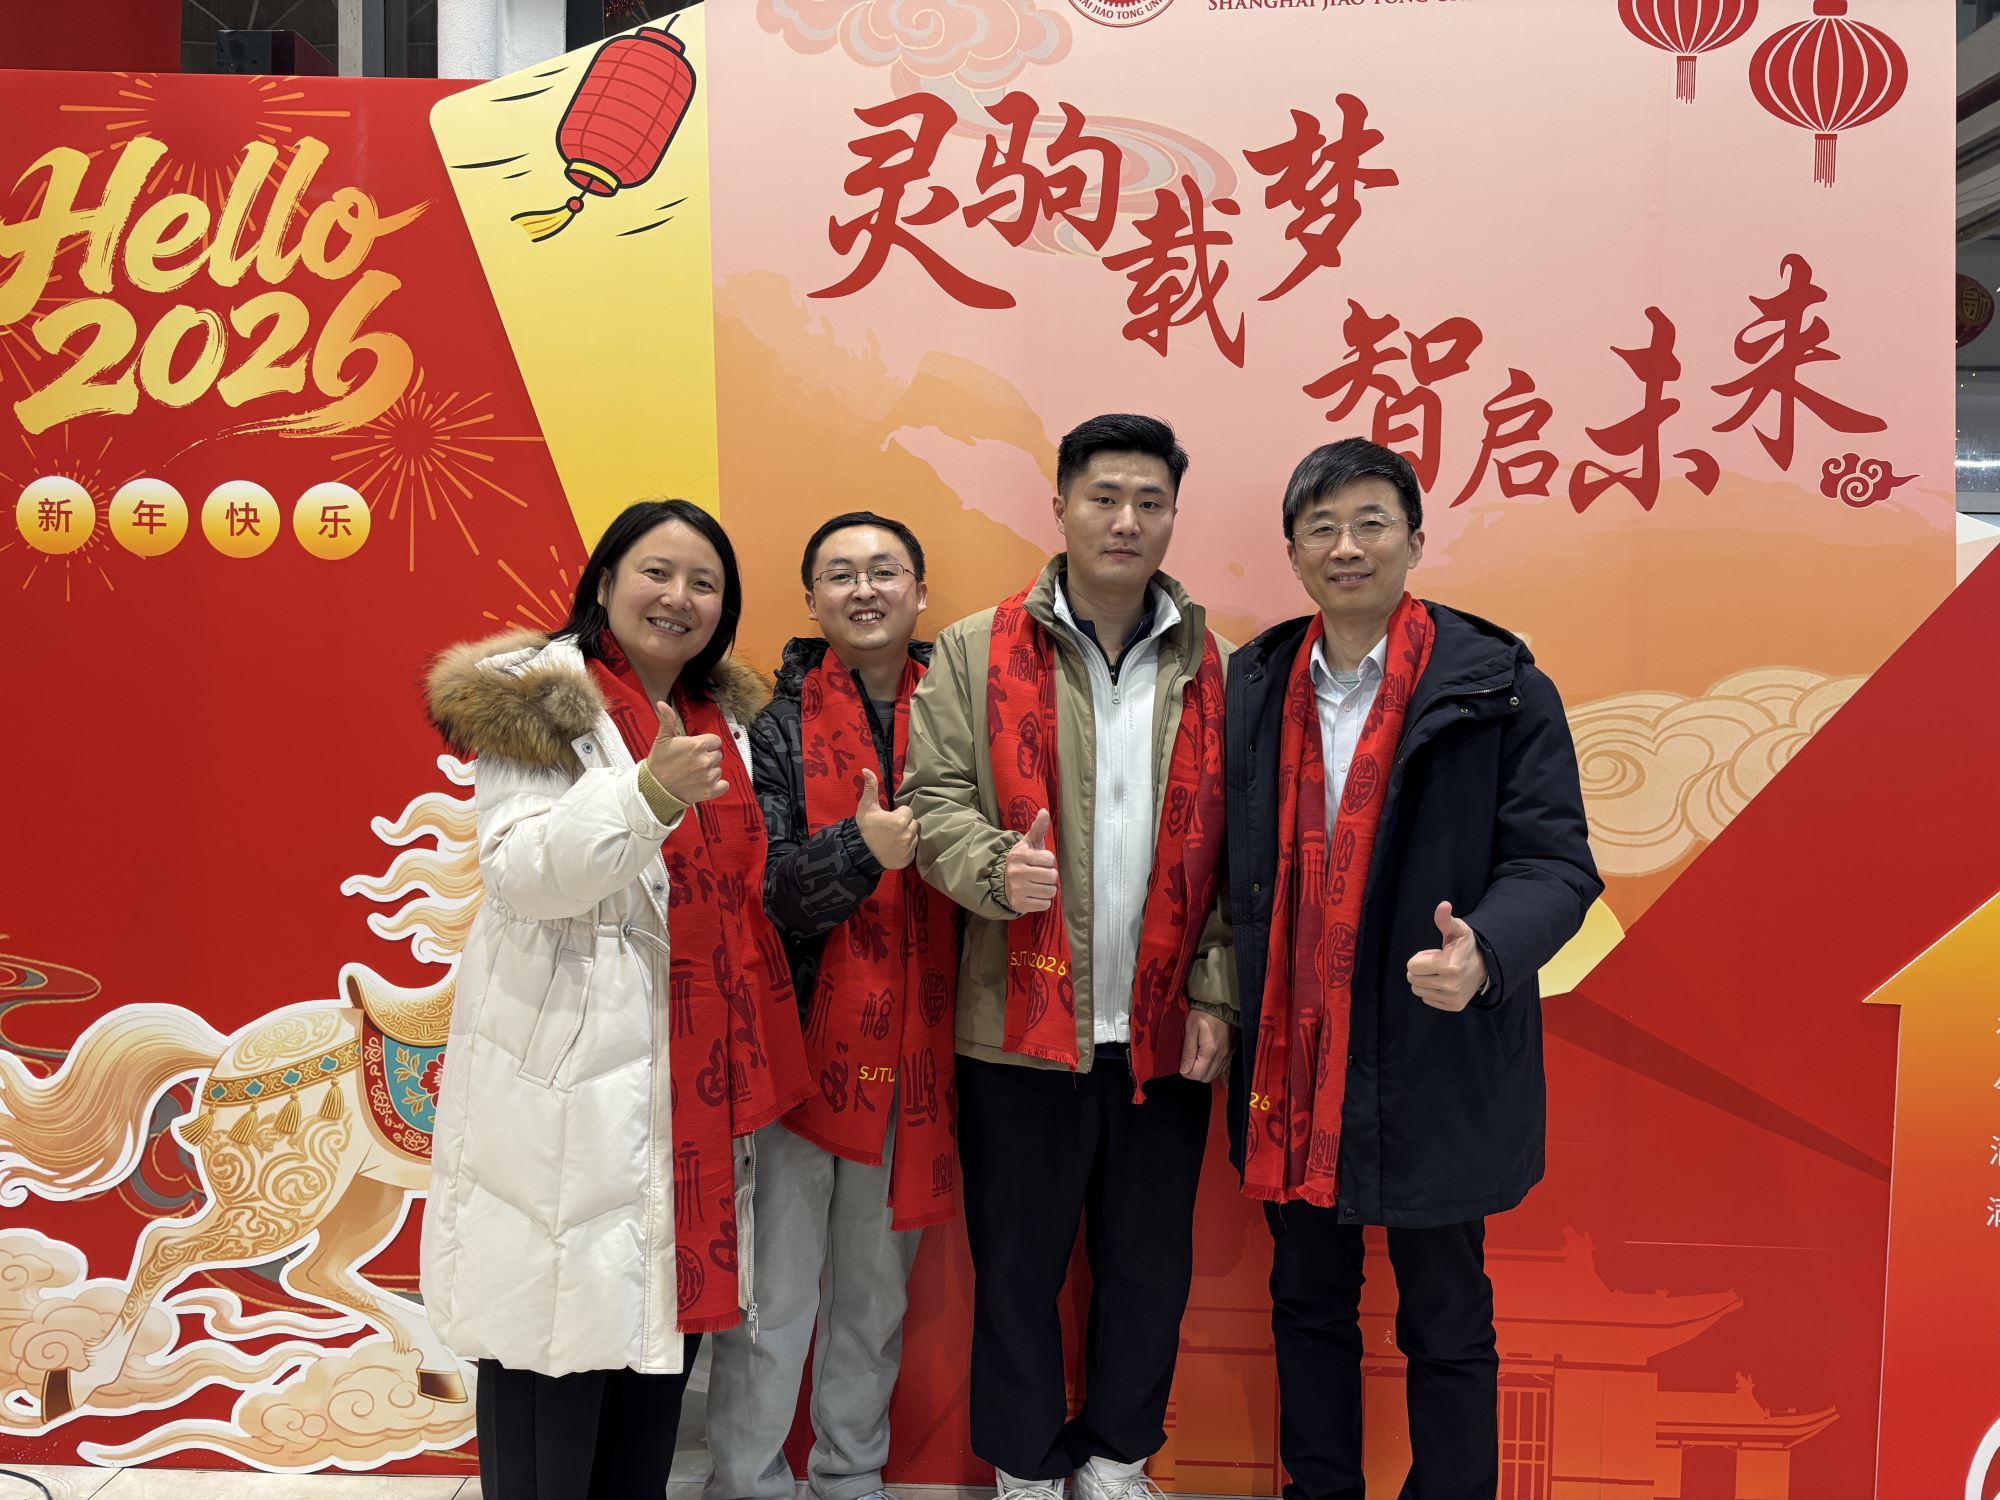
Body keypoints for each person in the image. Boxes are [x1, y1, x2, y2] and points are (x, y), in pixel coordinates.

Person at [1223, 439, 1601, 1500]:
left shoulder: (1498, 685)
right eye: (1321, 528)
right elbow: (1215, 857)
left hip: (1434, 1049)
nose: (1346, 547)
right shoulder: (1251, 685)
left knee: (1445, 1311)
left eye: (1370, 523)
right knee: (1305, 1299)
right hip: (1290, 1053)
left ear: (1415, 541)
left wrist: (1486, 949)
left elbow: (1555, 863)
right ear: (1293, 551)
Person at [422, 498, 811, 1500]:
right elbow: (521, 873)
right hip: (571, 1082)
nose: (678, 598)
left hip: (691, 1085)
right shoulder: (542, 698)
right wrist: (646, 796)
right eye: (656, 572)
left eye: (703, 583)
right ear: (604, 582)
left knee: (652, 1362)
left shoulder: (724, 716)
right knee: (552, 1347)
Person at [901, 413, 1236, 1500]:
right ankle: (1025, 1470)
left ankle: (1116, 1460)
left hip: (1161, 1025)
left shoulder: (1213, 664)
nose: (1125, 520)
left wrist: (1215, 990)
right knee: (1016, 1267)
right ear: (1060, 507)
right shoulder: (974, 648)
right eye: (1103, 497)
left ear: (1172, 517)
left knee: (1148, 1266)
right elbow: (931, 800)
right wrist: (995, 870)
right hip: (1016, 1024)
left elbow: (1239, 852)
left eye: (1149, 501)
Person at [704, 511, 957, 1500]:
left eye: (884, 570)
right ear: (811, 600)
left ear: (919, 591)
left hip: (924, 1046)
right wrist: (861, 851)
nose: (864, 589)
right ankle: (749, 1484)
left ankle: (851, 1477)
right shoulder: (769, 727)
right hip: (798, 1048)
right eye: (840, 574)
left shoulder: (964, 711)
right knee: (773, 1296)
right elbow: (766, 889)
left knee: (875, 1294)